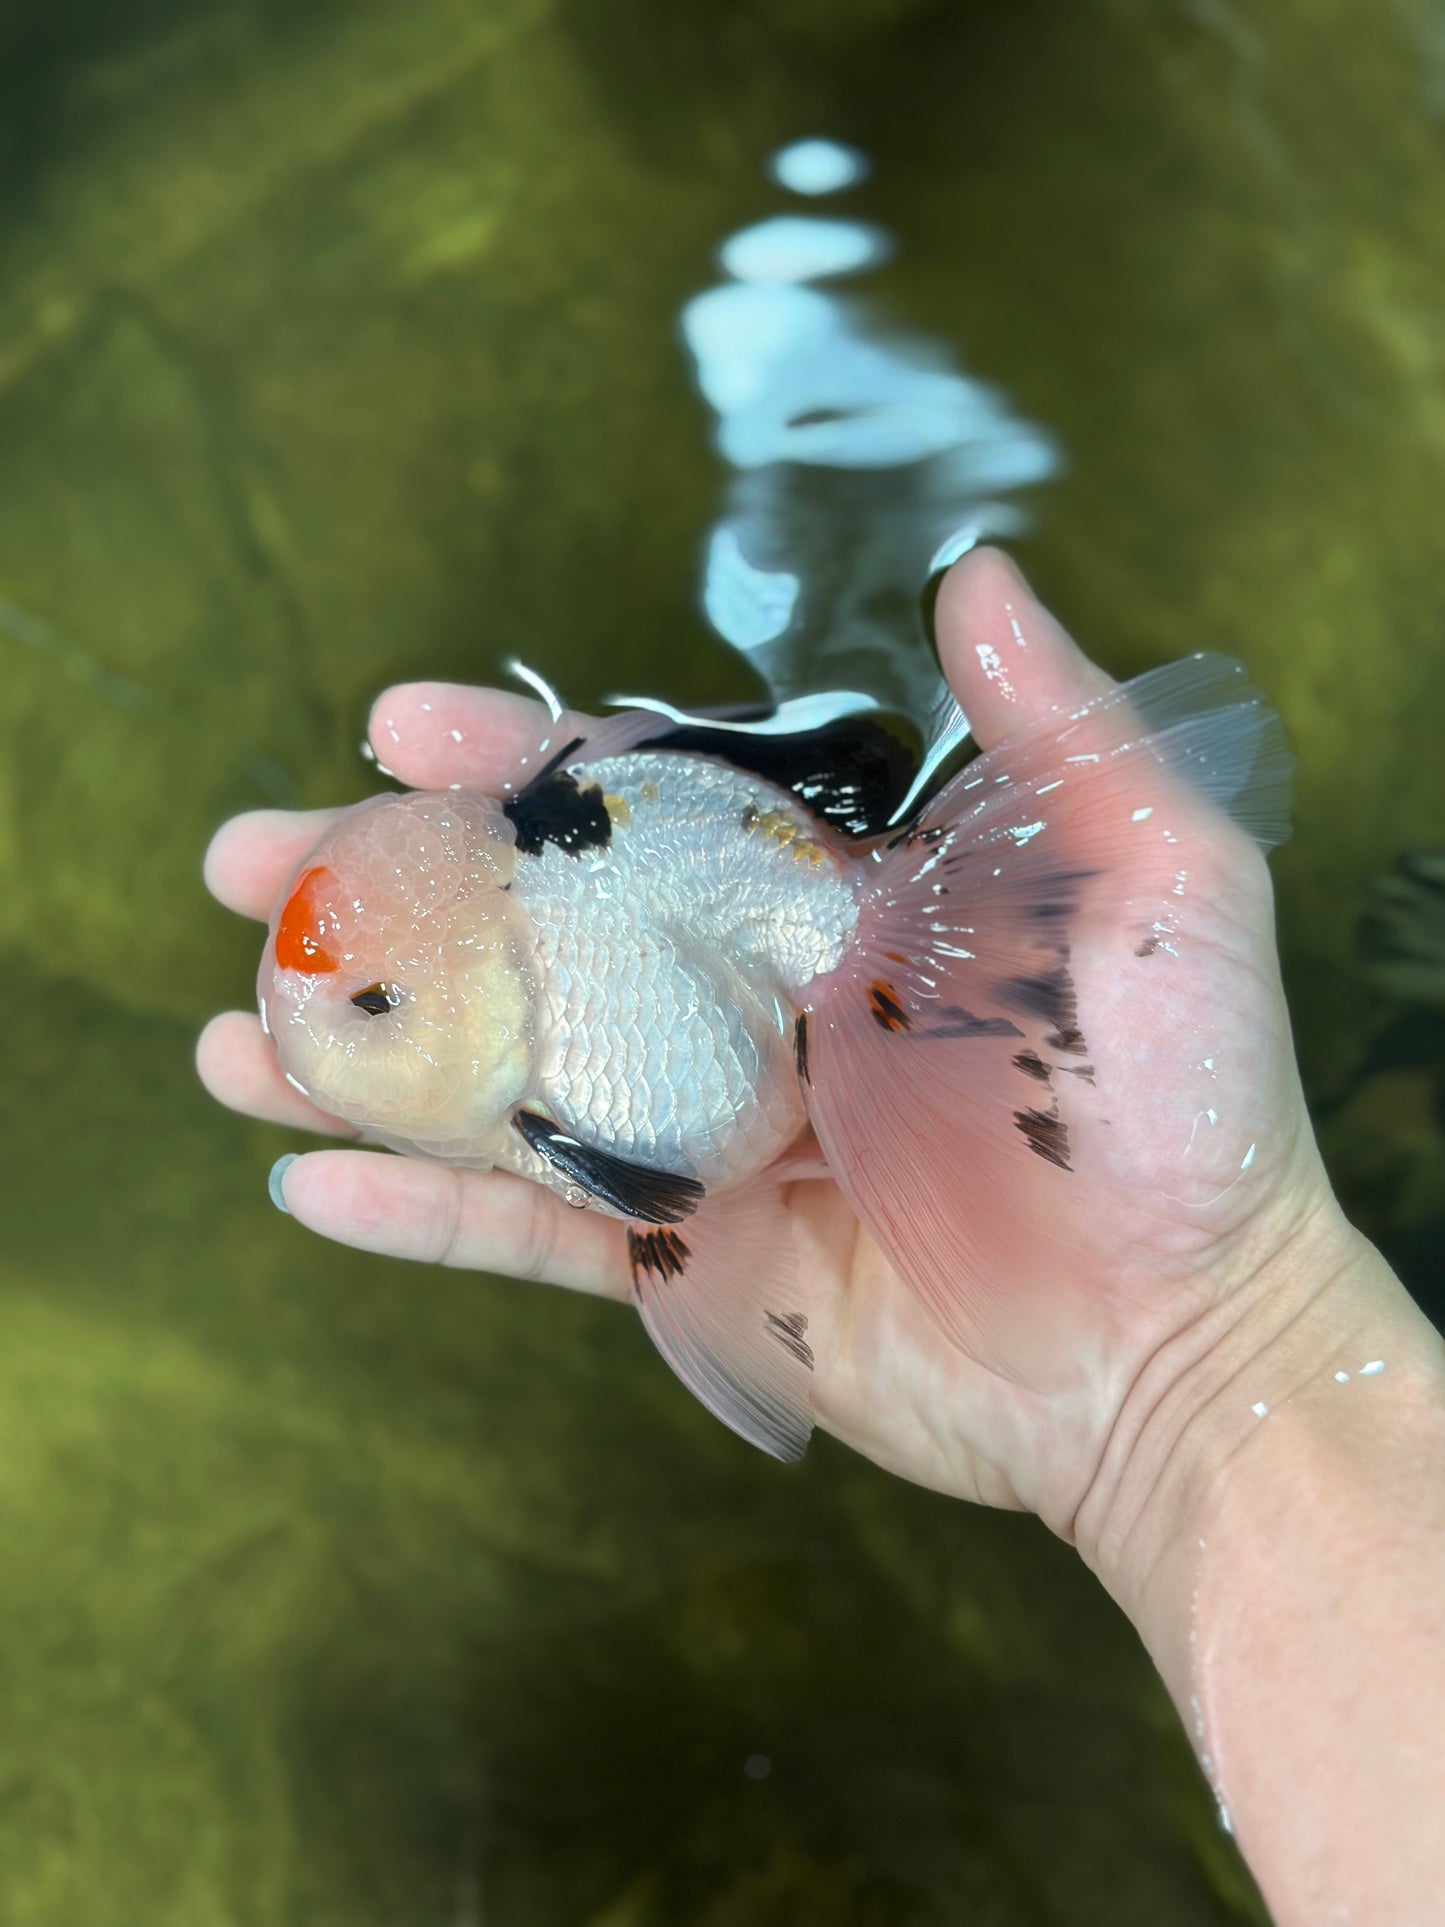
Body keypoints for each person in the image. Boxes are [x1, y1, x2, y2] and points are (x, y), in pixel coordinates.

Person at [199, 549, 1445, 1926]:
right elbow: (673, 1209)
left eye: (372, 1007)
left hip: (742, 876)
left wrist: (1204, 1349)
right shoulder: (522, 935)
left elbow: (666, 1208)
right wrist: (1215, 1363)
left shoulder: (569, 1054)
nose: (316, 1034)